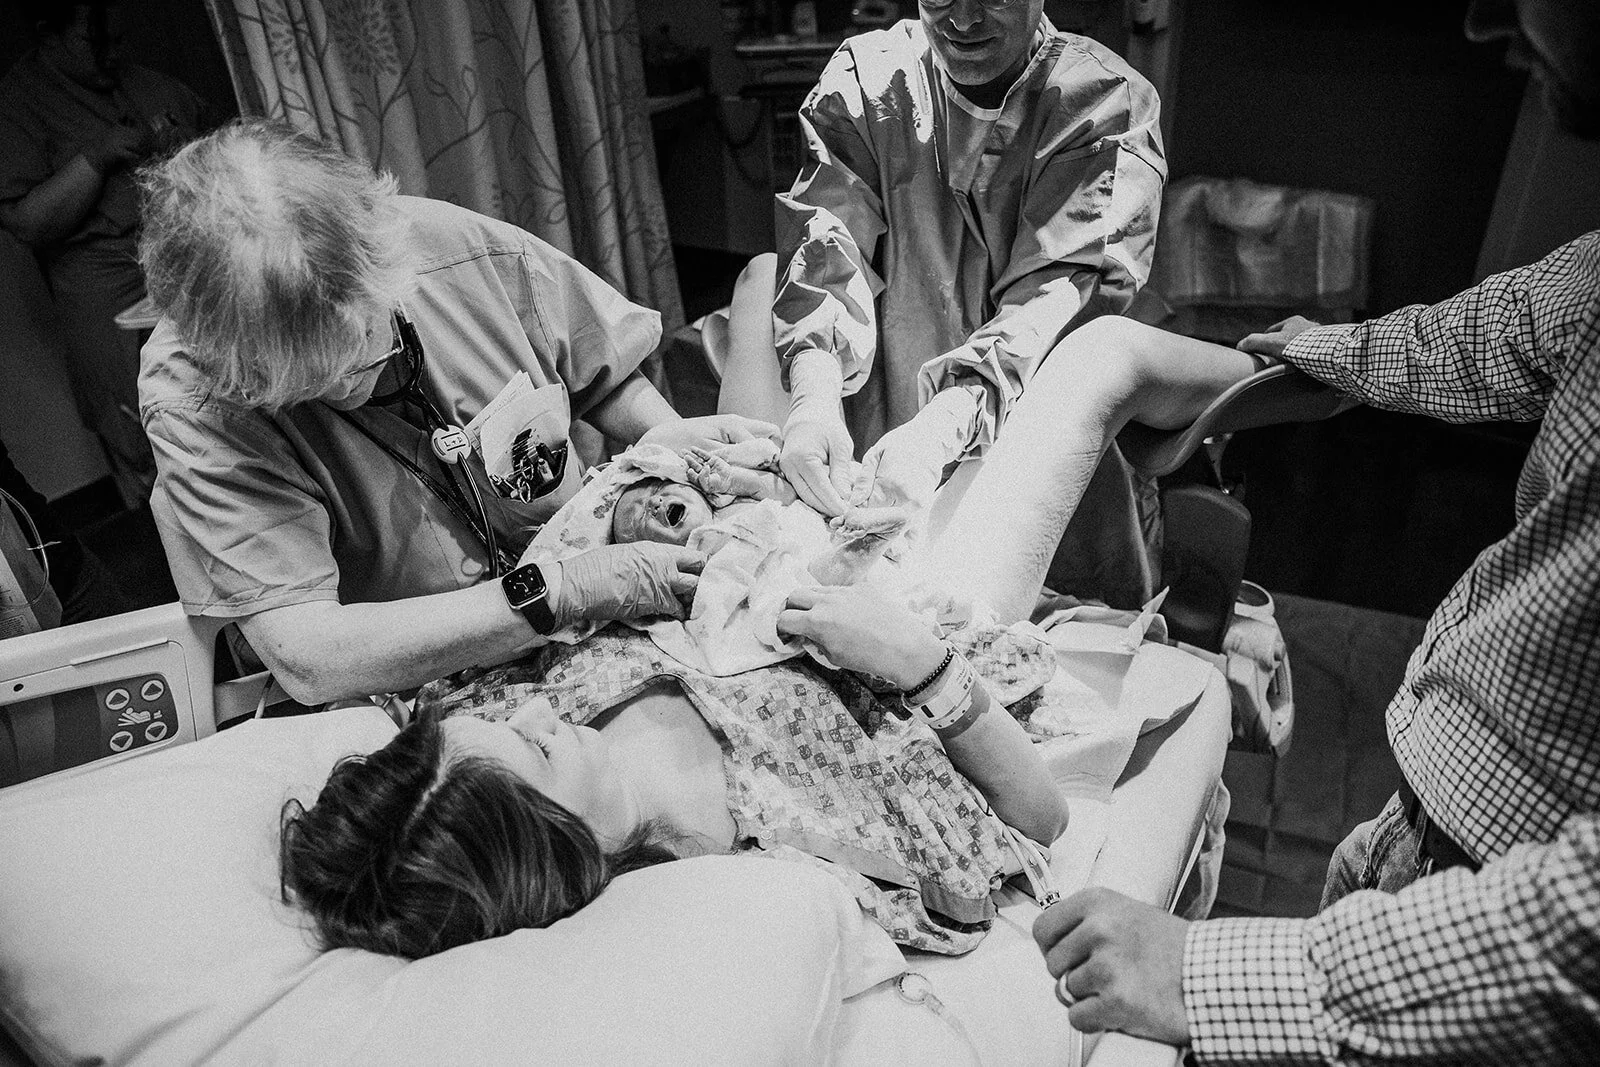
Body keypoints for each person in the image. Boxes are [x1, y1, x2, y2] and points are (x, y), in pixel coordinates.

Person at [1029, 1, 1600, 1058]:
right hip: (1423, 829)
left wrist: (1221, 979)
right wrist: (1281, 365)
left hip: (1493, 934)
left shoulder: (1104, 98)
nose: (1479, 21)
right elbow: (1503, 329)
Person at [276, 319, 1211, 960]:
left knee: (771, 295)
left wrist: (658, 510)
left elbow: (553, 571)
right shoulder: (777, 847)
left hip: (785, 525)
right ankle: (1310, 371)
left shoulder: (494, 724)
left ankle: (1216, 412)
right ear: (556, 853)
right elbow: (1039, 819)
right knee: (1101, 358)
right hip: (923, 607)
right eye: (533, 751)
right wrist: (923, 668)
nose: (532, 714)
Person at [135, 119, 771, 707]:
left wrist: (664, 440)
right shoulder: (197, 400)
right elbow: (309, 655)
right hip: (418, 683)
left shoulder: (453, 251)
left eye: (361, 345)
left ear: (384, 262)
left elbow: (599, 377)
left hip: (606, 612)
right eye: (305, 384)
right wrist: (563, 592)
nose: (349, 385)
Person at [754, 0, 1166, 606]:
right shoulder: (872, 82)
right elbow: (825, 246)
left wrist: (946, 424)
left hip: (1034, 437)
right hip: (879, 424)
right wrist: (814, 396)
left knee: (1024, 635)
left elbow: (1054, 300)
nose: (964, 20)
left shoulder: (1101, 104)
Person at [0, 0, 208, 502]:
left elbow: (218, 146)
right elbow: (24, 222)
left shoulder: (149, 84)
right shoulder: (18, 102)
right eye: (97, 43)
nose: (113, 54)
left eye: (119, 41)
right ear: (52, 35)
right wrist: (96, 157)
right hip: (101, 285)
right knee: (138, 428)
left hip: (183, 264)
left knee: (213, 401)